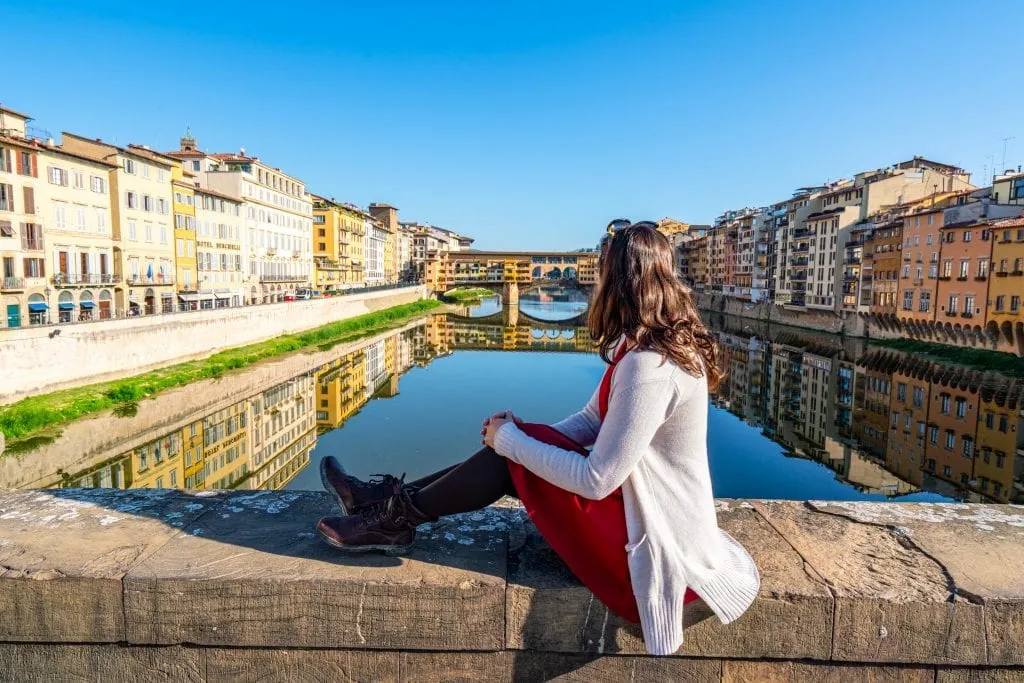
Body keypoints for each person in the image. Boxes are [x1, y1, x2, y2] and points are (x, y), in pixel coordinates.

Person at [316, 220, 760, 655]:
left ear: (619, 281)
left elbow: (597, 479)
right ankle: (381, 503)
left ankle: (393, 519)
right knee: (518, 444)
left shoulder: (651, 367)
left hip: (649, 548)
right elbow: (590, 420)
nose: (595, 280)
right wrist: (517, 434)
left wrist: (512, 444)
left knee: (511, 455)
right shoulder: (642, 346)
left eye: (601, 270)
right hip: (637, 513)